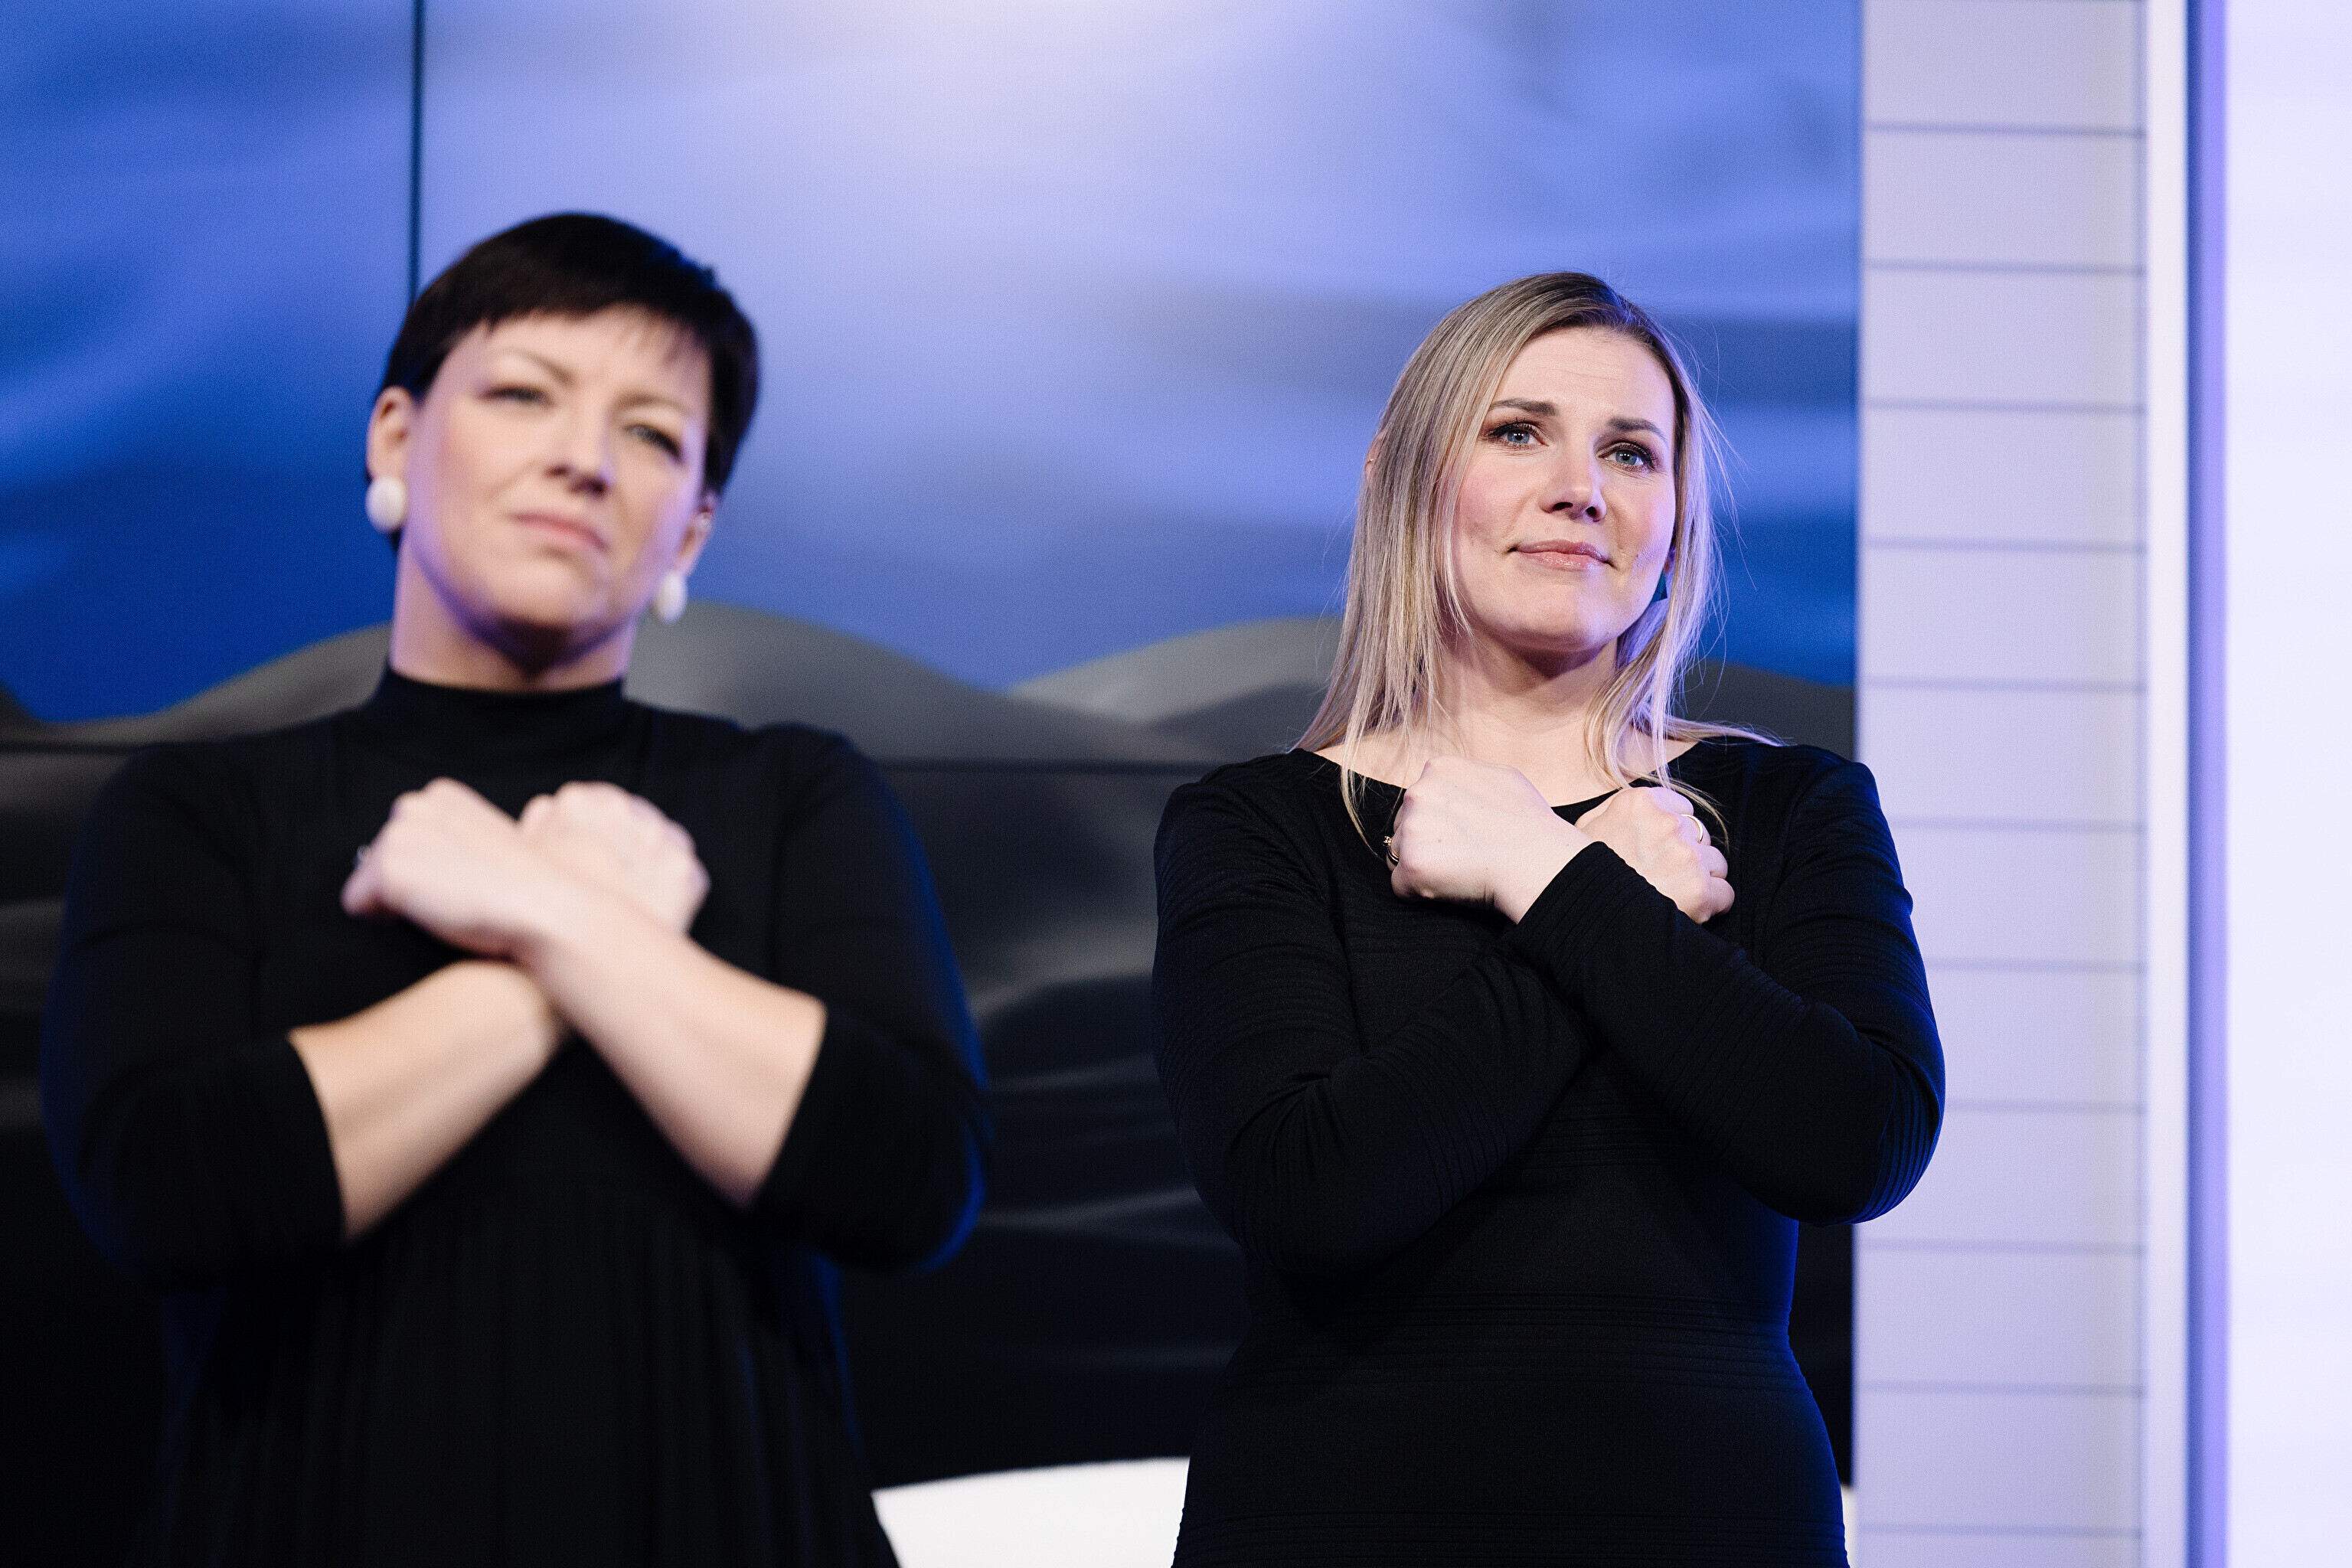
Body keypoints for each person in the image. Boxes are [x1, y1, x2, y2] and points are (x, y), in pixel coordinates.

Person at [41, 214, 988, 1566]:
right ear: (395, 439)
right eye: (525, 394)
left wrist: (556, 912)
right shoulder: (200, 809)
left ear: (692, 530)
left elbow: (908, 1177)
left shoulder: (795, 797)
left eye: (651, 432)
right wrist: (578, 929)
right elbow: (168, 1189)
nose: (583, 458)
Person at [1152, 273, 1941, 1564]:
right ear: (1404, 476)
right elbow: (1310, 1192)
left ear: (1674, 519)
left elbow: (1859, 1139)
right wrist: (1600, 893)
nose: (1581, 488)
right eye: (1519, 432)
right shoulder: (1261, 826)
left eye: (1630, 452)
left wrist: (1550, 875)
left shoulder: (1791, 809)